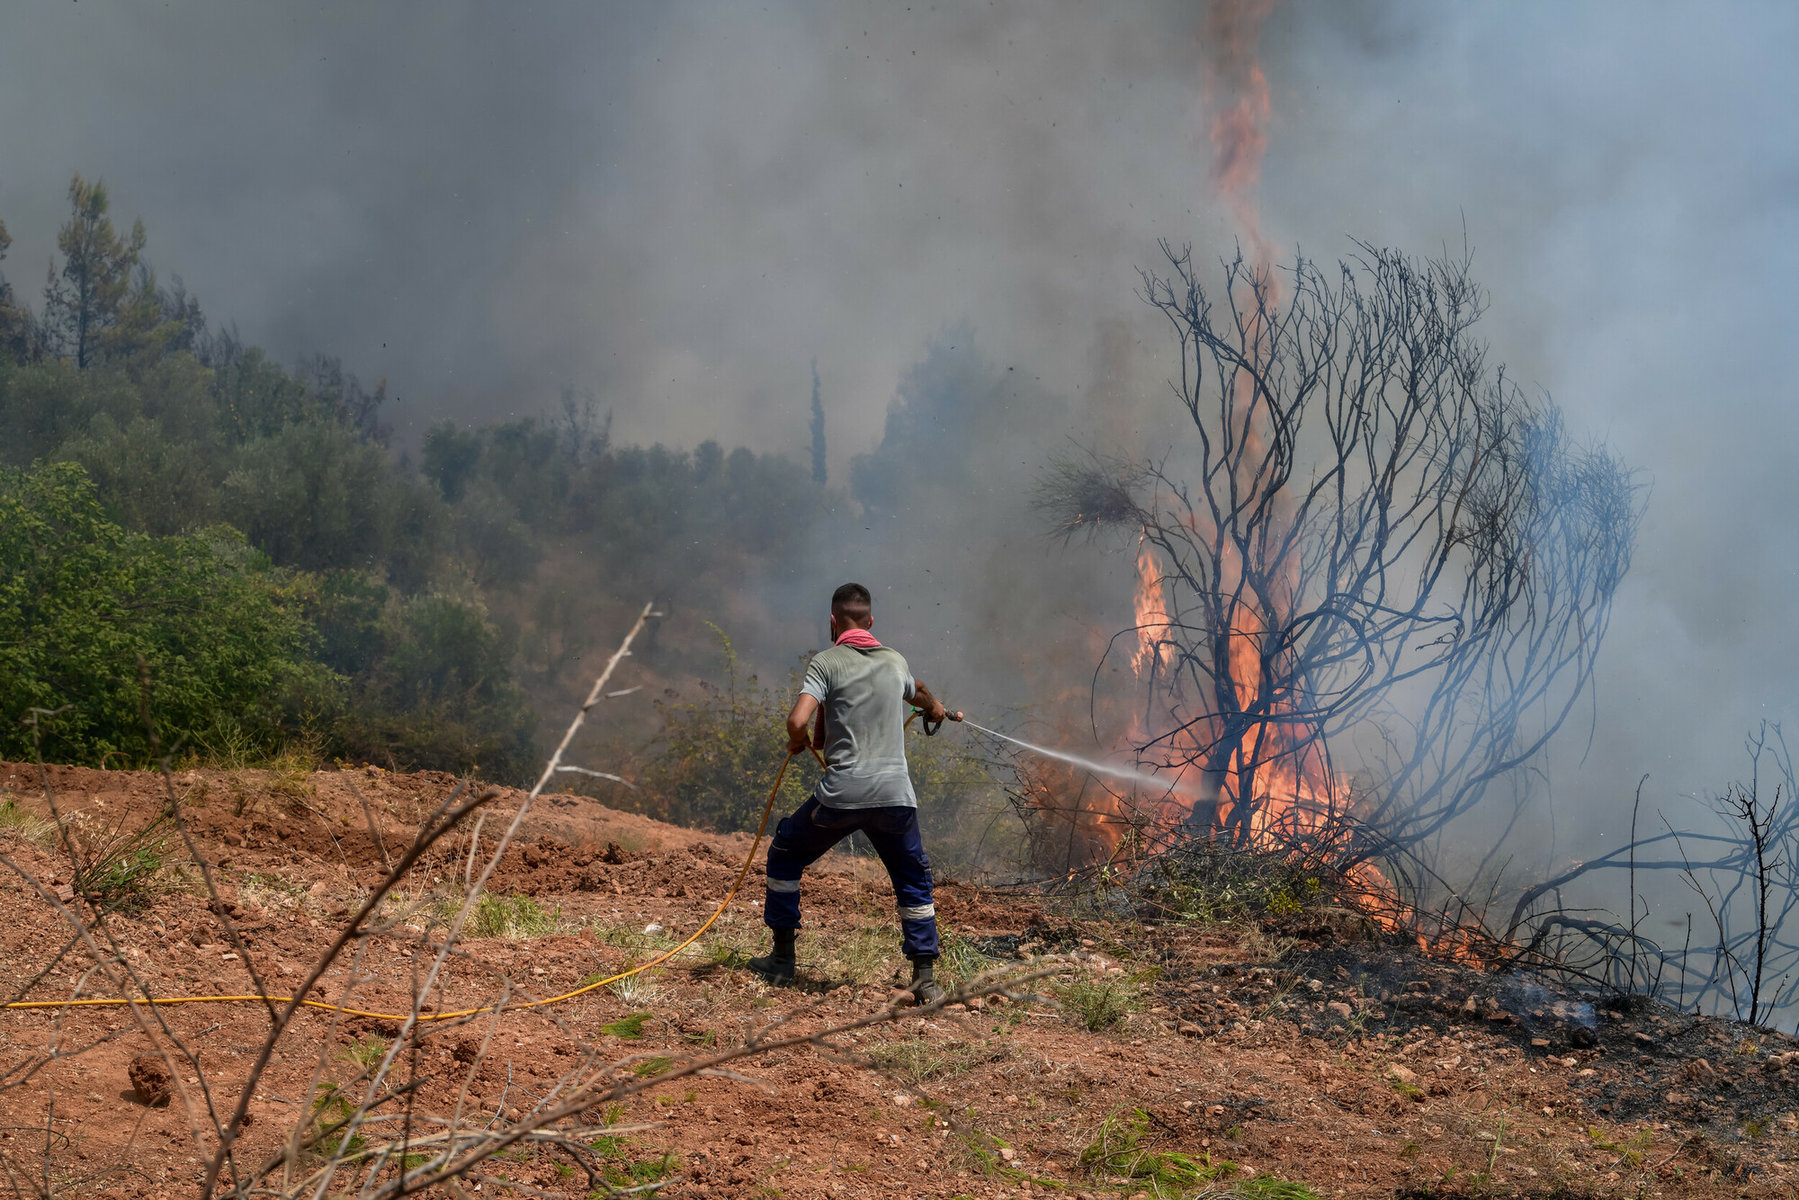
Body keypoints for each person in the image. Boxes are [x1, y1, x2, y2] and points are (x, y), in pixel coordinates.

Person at [747, 581, 960, 1003]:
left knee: (786, 853)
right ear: (871, 621)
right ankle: (926, 983)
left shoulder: (825, 663)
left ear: (833, 621)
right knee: (913, 881)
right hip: (895, 798)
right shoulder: (895, 660)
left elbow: (796, 721)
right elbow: (916, 689)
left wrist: (797, 740)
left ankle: (783, 960)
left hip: (842, 797)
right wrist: (935, 707)